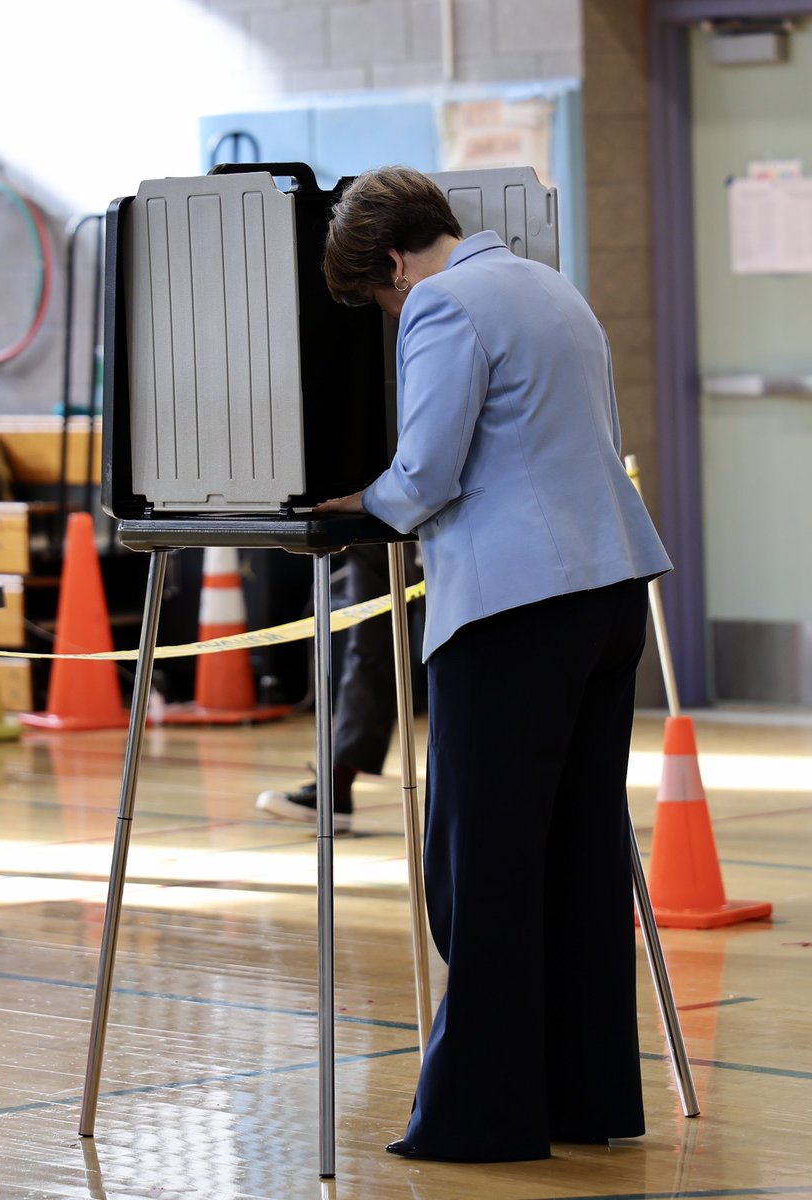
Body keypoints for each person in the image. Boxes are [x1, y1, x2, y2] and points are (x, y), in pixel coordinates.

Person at [314, 166, 672, 1162]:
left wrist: (357, 501)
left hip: (516, 607)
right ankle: (583, 1097)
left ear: (393, 264)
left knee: (484, 867)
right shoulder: (551, 285)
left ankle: (483, 1117)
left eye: (377, 296)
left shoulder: (442, 304)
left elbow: (426, 472)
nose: (389, 312)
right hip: (611, 589)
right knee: (577, 859)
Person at [255, 542, 424, 834]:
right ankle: (337, 788)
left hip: (443, 526)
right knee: (369, 647)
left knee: (460, 643)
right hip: (376, 525)